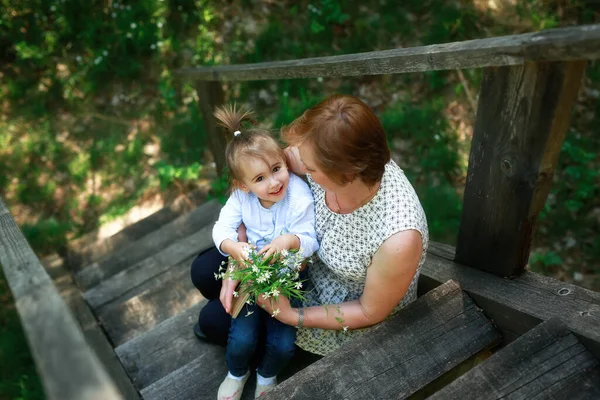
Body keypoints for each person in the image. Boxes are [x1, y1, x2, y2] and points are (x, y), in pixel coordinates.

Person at [190, 104, 319, 400]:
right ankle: (237, 373)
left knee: (284, 343)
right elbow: (221, 230)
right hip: (252, 274)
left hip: (287, 278)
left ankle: (266, 374)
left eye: (277, 169)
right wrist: (234, 247)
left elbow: (311, 240)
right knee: (242, 337)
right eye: (260, 179)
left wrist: (291, 241)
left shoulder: (298, 196)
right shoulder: (241, 199)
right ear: (243, 185)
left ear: (285, 162)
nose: (274, 183)